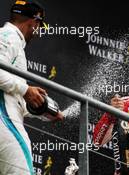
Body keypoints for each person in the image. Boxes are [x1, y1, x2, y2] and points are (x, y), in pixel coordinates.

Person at [0, 1, 63, 175]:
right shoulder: (8, 36)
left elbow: (12, 96)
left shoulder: (14, 42)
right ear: (33, 22)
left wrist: (43, 110)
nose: (38, 32)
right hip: (5, 122)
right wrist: (26, 90)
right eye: (39, 26)